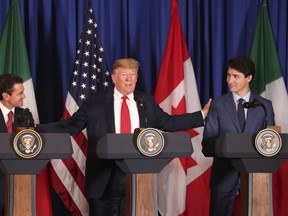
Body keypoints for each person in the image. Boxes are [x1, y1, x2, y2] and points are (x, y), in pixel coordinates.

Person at [37, 58, 212, 216]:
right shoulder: (96, 101)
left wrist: (201, 115)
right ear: (114, 78)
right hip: (104, 179)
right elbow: (72, 125)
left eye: (133, 75)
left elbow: (168, 122)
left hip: (139, 177)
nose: (130, 79)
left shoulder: (146, 101)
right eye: (124, 75)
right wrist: (37, 130)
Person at [202, 56, 275, 216]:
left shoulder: (264, 105)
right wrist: (227, 146)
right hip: (223, 176)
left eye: (236, 76)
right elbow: (206, 145)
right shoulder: (218, 105)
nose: (230, 80)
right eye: (228, 75)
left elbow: (271, 143)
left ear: (248, 78)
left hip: (256, 177)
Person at [0, 74, 34, 215]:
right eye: (20, 93)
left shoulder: (25, 115)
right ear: (6, 96)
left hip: (20, 186)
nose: (24, 96)